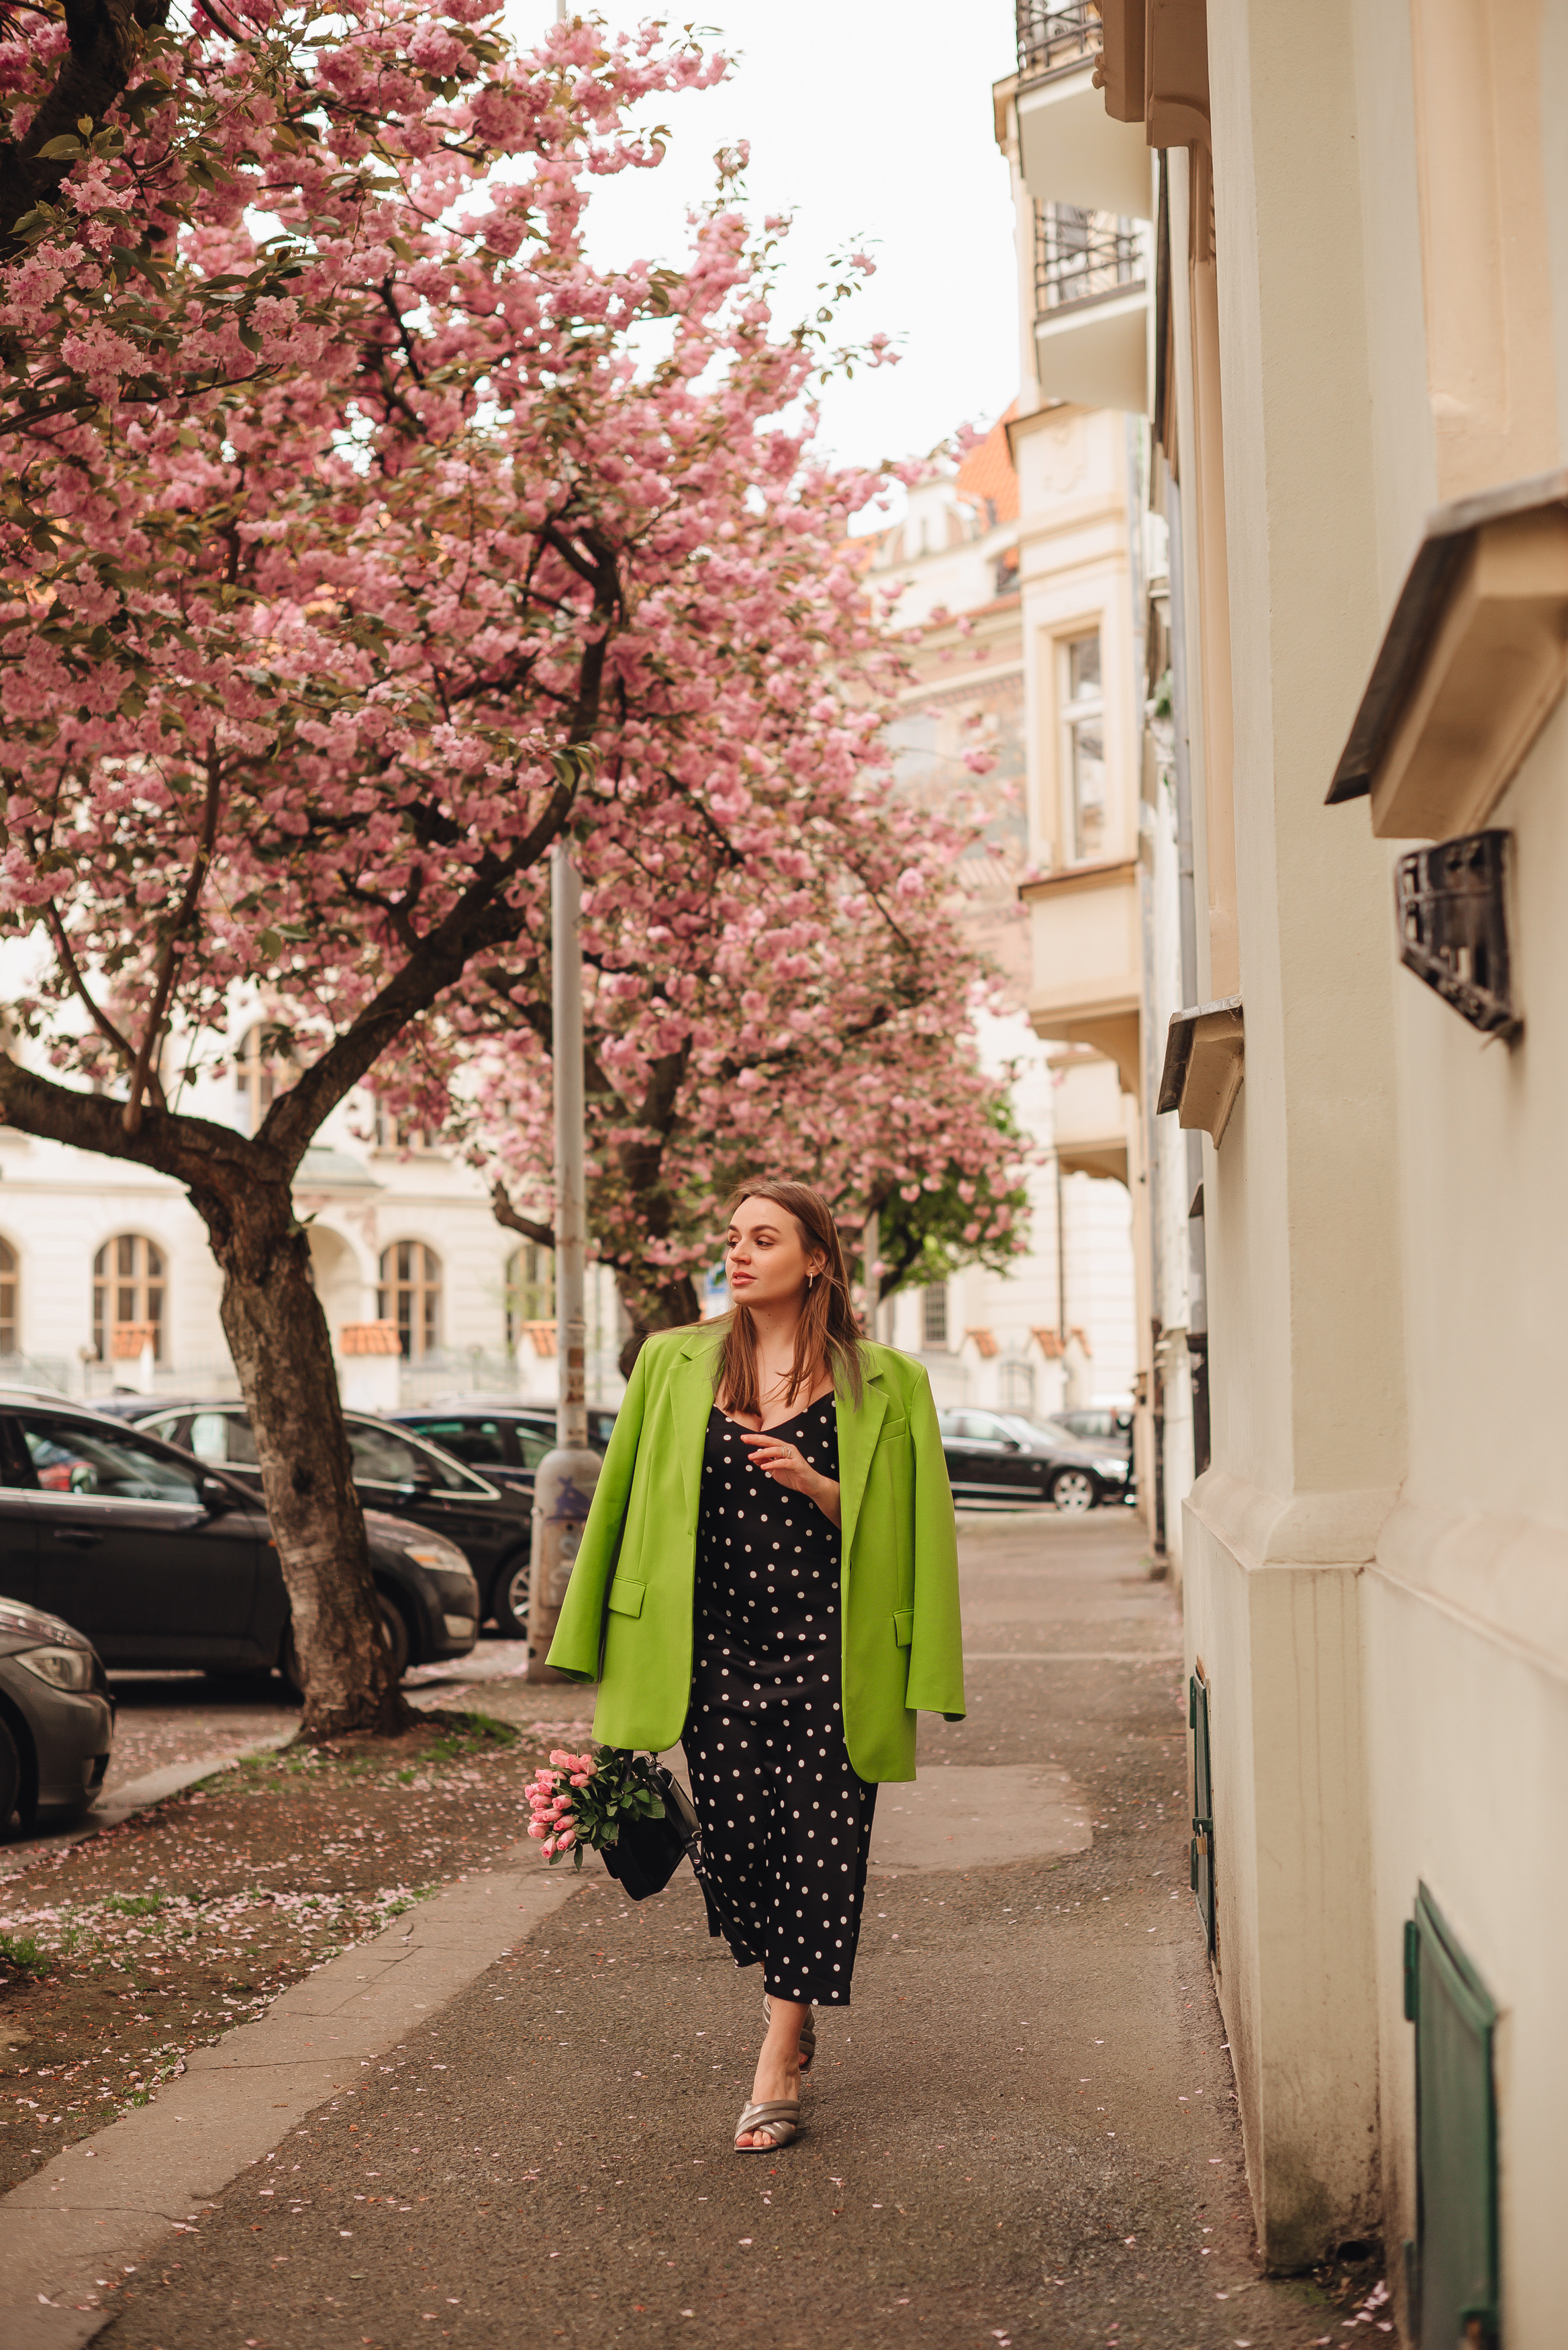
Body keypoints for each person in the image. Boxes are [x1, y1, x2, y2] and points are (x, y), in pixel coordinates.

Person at [546, 1178, 964, 2153]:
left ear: (815, 1260)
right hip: (712, 1649)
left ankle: (779, 2051)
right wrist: (586, 1641)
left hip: (833, 1648)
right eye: (732, 1237)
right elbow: (619, 1503)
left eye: (764, 1239)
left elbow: (917, 1534)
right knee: (734, 1849)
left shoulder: (888, 1382)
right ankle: (793, 1987)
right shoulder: (673, 1362)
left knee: (824, 1841)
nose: (738, 1255)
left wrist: (820, 1484)